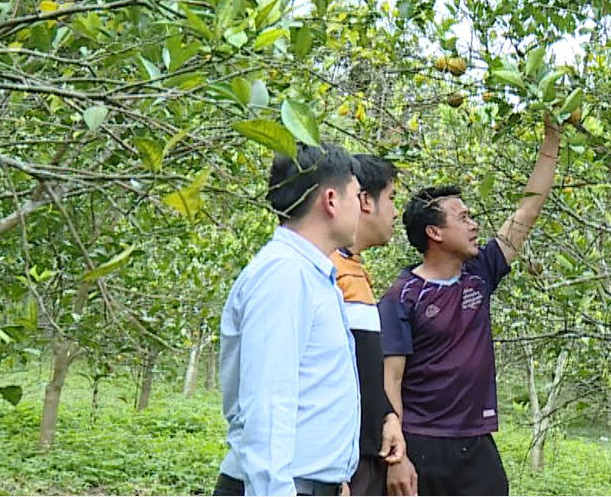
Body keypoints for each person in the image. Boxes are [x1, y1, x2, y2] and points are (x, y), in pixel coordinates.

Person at [380, 117, 562, 496]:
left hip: (476, 444)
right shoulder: (402, 296)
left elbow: (527, 212)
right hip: (423, 443)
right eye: (464, 218)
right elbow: (390, 380)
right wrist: (399, 459)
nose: (475, 225)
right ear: (435, 232)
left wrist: (552, 139)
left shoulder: (480, 272)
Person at [214, 143, 363, 496]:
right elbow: (268, 404)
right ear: (331, 199)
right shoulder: (284, 274)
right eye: (358, 195)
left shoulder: (310, 274)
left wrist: (332, 476)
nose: (362, 207)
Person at [331, 155, 406, 496]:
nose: (394, 212)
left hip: (365, 456)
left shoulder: (356, 271)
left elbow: (364, 372)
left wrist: (388, 417)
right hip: (343, 463)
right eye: (390, 198)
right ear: (364, 200)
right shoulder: (326, 273)